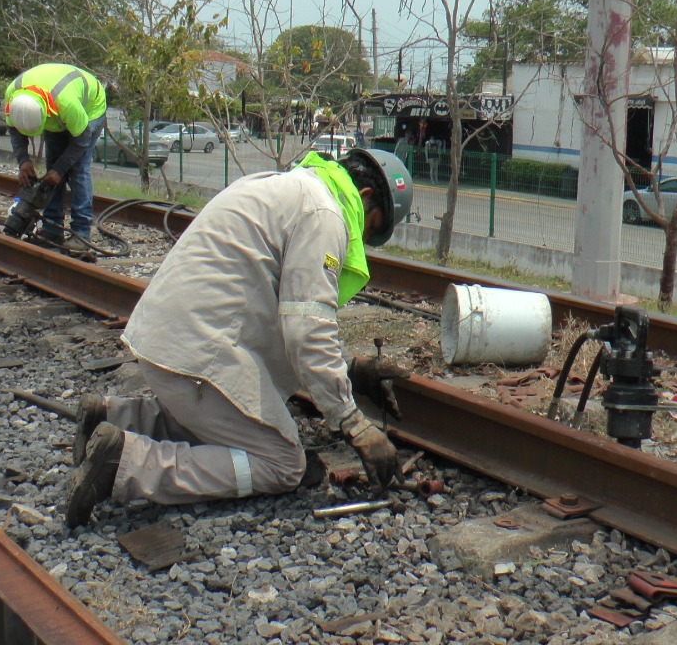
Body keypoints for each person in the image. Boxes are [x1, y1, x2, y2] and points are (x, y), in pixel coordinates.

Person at [64, 148, 415, 527]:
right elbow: (305, 330)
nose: (360, 239)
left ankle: (116, 417)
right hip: (198, 356)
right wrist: (353, 422)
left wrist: (349, 371)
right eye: (370, 227)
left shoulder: (283, 186)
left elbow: (278, 318)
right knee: (282, 463)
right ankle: (124, 465)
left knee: (227, 424)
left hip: (166, 343)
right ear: (364, 197)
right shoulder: (326, 214)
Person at [5, 63, 107, 252]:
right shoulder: (13, 95)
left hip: (90, 109)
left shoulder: (66, 103)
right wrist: (23, 161)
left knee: (78, 170)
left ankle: (81, 234)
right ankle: (52, 229)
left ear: (45, 114)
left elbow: (81, 140)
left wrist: (60, 170)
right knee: (52, 164)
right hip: (58, 112)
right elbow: (14, 129)